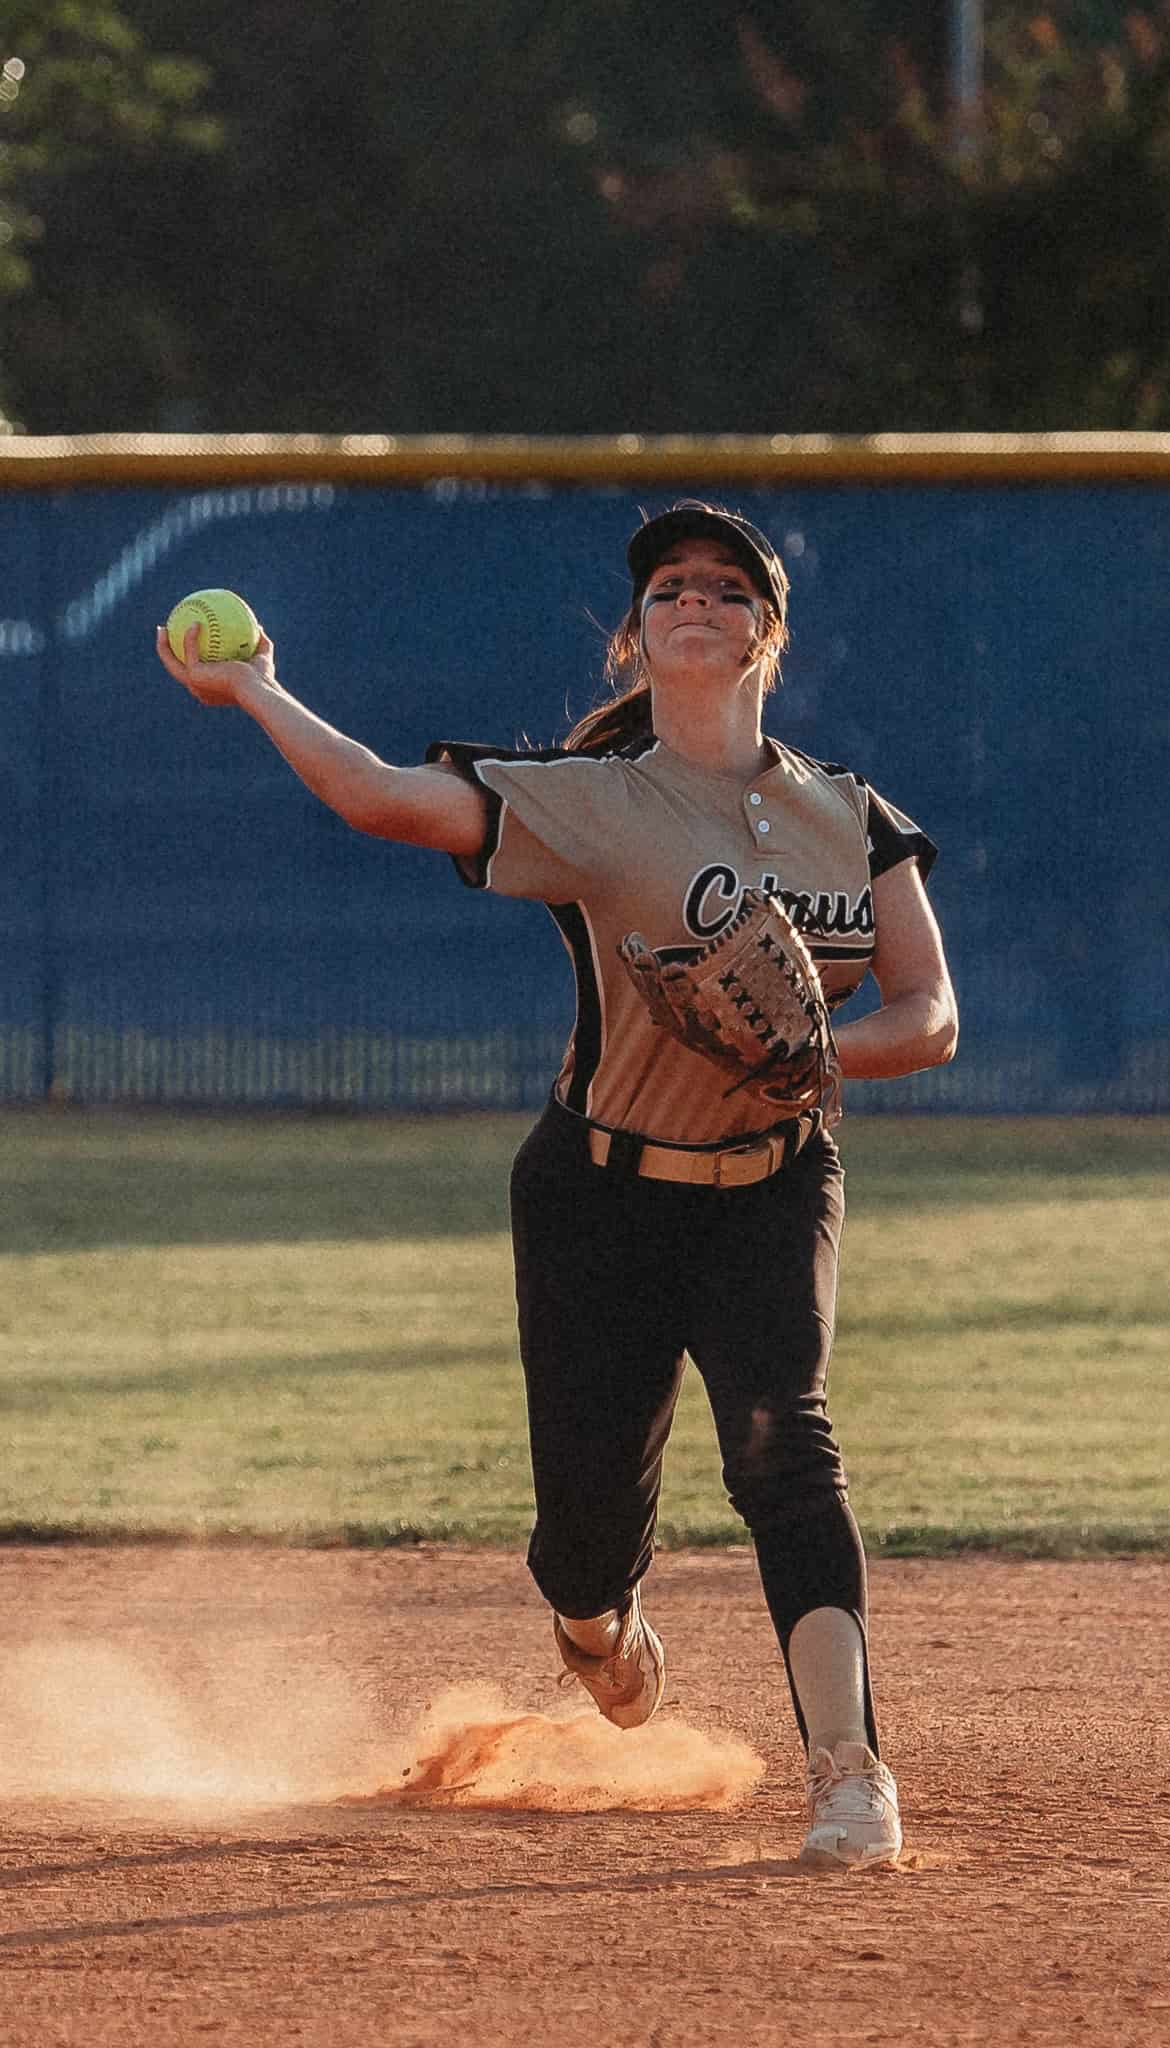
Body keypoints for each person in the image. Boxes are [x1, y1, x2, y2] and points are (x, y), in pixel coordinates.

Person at [155, 500, 958, 1870]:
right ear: (634, 641)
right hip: (601, 1201)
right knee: (584, 1544)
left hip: (772, 1181)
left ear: (767, 633)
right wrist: (256, 689)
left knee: (787, 1449)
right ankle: (601, 1624)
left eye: (722, 586)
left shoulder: (854, 819)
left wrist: (819, 1069)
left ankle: (850, 1774)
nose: (693, 601)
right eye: (666, 590)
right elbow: (376, 796)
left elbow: (930, 1011)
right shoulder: (594, 801)